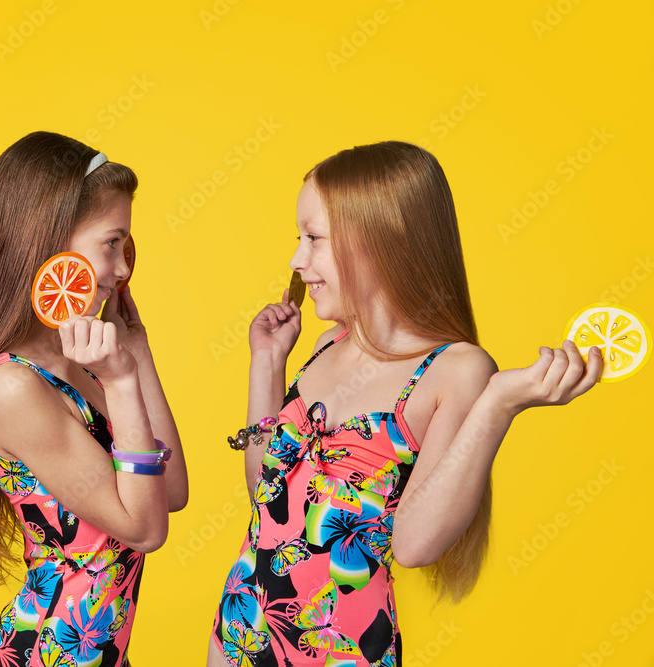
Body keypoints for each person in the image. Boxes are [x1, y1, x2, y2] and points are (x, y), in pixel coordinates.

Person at [207, 141, 601, 667]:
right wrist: (266, 365)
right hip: (238, 631)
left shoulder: (456, 370)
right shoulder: (328, 344)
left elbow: (414, 545)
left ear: (381, 240)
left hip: (340, 651)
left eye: (314, 239)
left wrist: (498, 405)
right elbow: (266, 493)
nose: (296, 260)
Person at [0, 131, 188, 667]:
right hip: (50, 653)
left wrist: (137, 350)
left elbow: (170, 490)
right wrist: (122, 384)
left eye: (127, 249)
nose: (123, 269)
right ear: (48, 243)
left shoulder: (82, 364)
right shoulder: (12, 388)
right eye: (110, 244)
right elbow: (146, 531)